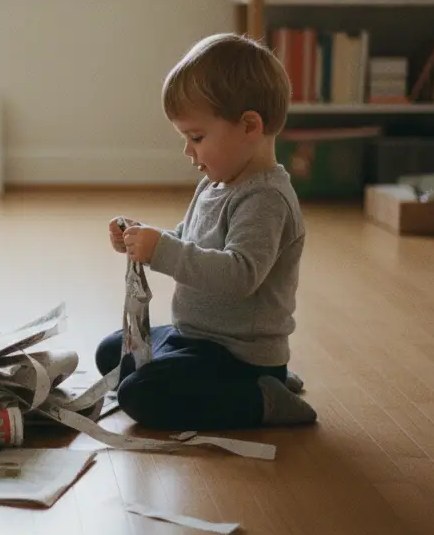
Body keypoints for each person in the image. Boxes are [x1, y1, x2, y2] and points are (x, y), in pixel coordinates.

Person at [97, 33, 317, 431]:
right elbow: (190, 240)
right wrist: (142, 239)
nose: (188, 151)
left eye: (196, 137)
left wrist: (161, 250)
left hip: (238, 356)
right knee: (111, 353)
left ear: (249, 126)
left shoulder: (266, 199)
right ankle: (259, 385)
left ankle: (262, 396)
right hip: (195, 336)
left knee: (138, 393)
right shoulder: (216, 183)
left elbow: (239, 275)